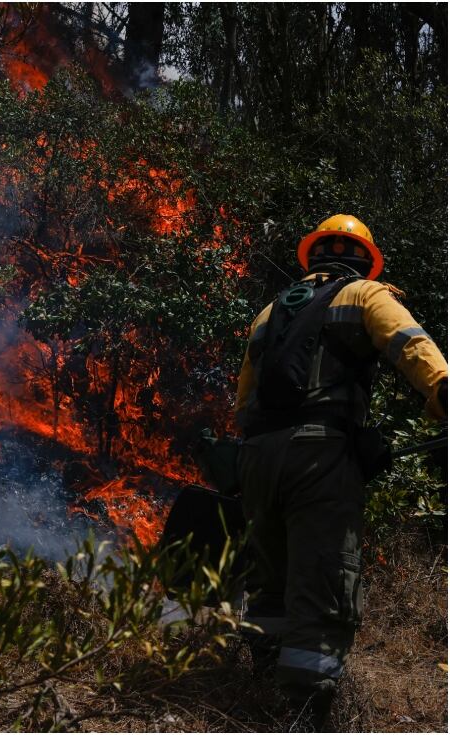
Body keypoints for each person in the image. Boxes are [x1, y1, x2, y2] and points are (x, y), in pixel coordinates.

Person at [233, 214, 447, 724]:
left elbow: (244, 401)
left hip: (257, 457)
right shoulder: (367, 295)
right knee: (323, 575)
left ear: (315, 255)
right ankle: (308, 709)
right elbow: (411, 347)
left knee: (271, 575)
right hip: (320, 455)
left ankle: (261, 680)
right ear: (363, 259)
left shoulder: (267, 313)